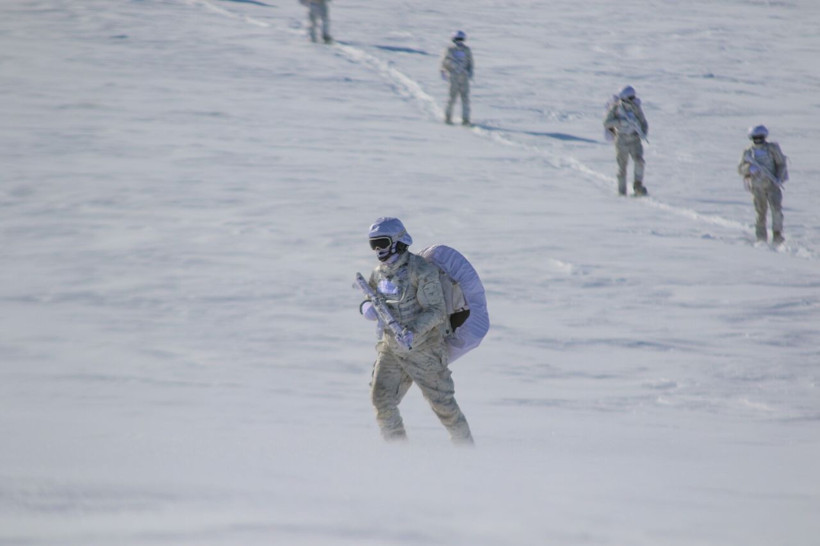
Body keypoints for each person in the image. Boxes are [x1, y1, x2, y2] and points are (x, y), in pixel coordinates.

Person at [359, 217, 474, 444]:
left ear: (397, 241)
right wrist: (366, 308)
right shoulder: (379, 273)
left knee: (444, 406)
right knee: (381, 399)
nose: (378, 250)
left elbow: (436, 310)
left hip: (424, 349)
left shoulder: (421, 271)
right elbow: (369, 296)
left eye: (382, 242)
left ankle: (467, 450)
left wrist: (413, 331)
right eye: (374, 245)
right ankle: (398, 451)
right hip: (391, 348)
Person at [738, 125, 788, 244]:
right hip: (757, 187)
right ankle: (761, 237)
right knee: (760, 212)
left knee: (776, 210)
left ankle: (777, 236)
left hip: (772, 185)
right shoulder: (748, 152)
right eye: (756, 137)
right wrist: (749, 168)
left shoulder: (772, 149)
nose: (758, 140)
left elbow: (781, 164)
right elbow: (740, 169)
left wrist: (779, 179)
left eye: (760, 137)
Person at [603, 85, 649, 196]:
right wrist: (620, 123)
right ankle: (621, 192)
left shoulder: (636, 108)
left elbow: (643, 123)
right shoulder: (616, 108)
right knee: (622, 167)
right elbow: (606, 123)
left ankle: (638, 186)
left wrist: (642, 132)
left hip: (634, 139)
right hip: (621, 140)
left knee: (639, 161)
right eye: (630, 98)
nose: (633, 100)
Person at [440, 30, 474, 126]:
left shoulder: (466, 50)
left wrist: (469, 73)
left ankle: (466, 119)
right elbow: (444, 62)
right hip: (453, 76)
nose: (459, 41)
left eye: (461, 39)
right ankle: (448, 118)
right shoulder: (449, 50)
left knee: (465, 99)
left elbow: (470, 63)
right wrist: (444, 71)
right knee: (452, 98)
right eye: (457, 39)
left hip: (464, 76)